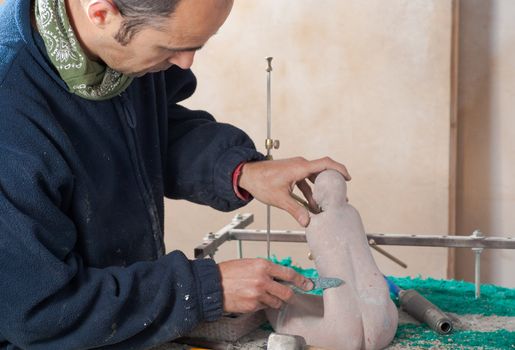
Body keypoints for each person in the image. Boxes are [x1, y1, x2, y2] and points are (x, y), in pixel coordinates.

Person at [0, 0, 350, 349]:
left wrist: (238, 169)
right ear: (102, 13)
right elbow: (38, 312)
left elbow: (150, 129)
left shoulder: (121, 47)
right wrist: (203, 289)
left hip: (127, 327)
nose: (186, 63)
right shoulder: (10, 112)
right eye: (171, 48)